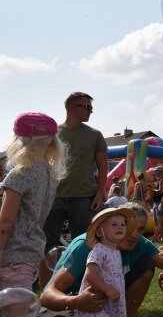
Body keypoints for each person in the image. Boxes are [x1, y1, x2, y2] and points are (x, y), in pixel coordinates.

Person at [40, 202, 163, 317]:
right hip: (70, 305)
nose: (134, 235)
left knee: (146, 266)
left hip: (103, 304)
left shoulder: (140, 243)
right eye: (128, 226)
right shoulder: (87, 246)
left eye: (140, 229)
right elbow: (46, 297)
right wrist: (78, 302)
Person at [42, 92, 108, 286]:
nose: (90, 112)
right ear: (72, 108)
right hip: (54, 197)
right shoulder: (52, 134)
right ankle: (47, 293)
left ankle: (80, 289)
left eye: (91, 108)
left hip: (83, 198)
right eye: (87, 107)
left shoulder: (95, 135)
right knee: (47, 245)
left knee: (84, 245)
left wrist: (99, 192)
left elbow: (103, 166)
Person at [0, 113, 66, 291]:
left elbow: (5, 222)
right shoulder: (50, 174)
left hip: (9, 255)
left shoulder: (20, 173)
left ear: (20, 140)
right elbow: (40, 218)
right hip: (30, 251)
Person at [76, 208, 135, 317]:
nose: (120, 226)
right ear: (99, 232)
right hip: (99, 301)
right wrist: (107, 289)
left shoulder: (116, 251)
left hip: (112, 300)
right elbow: (90, 275)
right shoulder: (98, 251)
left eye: (123, 224)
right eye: (114, 224)